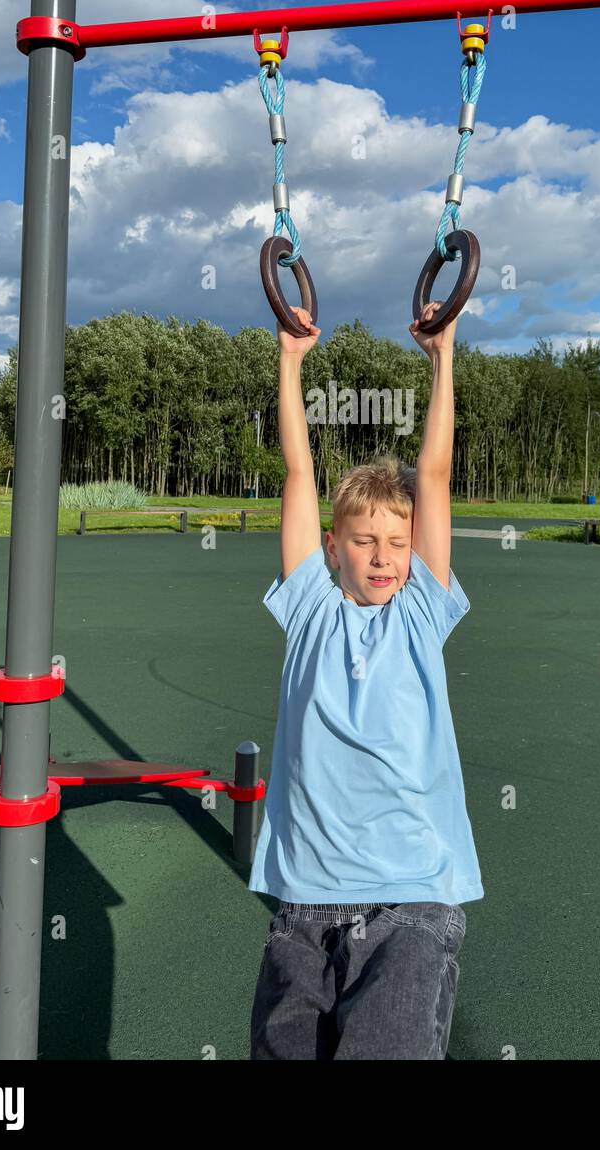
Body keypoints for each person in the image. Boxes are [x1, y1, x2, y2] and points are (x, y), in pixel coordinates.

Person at [248, 299, 482, 1060]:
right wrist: (290, 363)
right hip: (305, 898)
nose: (382, 556)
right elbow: (295, 469)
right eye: (363, 540)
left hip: (411, 896)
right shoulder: (310, 607)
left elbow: (436, 475)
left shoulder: (421, 615)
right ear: (331, 547)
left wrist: (442, 358)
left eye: (396, 542)